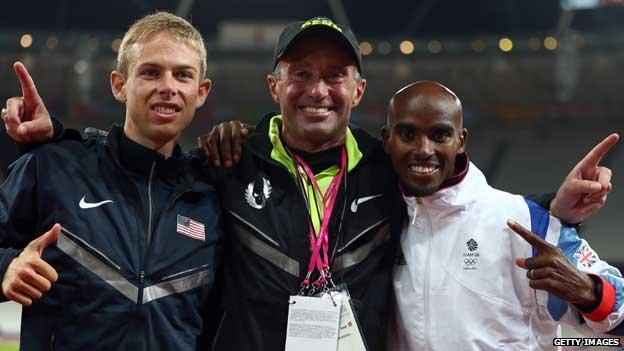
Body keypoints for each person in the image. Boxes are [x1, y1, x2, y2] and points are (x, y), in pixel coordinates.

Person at [2, 16, 615, 350]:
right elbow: (139, 167)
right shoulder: (226, 162)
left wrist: (552, 210)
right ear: (275, 86)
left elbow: (457, 201)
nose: (317, 89)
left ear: (358, 90)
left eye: (335, 75)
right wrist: (61, 138)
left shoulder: (387, 167)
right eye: (301, 72)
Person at [0, 12, 222, 350]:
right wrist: (6, 268)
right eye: (150, 72)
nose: (168, 87)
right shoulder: (53, 167)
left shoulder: (210, 200)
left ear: (201, 91)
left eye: (183, 75)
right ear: (119, 84)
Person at [382, 81, 623, 350]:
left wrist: (590, 292)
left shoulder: (527, 222)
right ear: (387, 139)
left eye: (440, 135)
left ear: (461, 141)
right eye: (407, 134)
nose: (424, 150)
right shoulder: (382, 221)